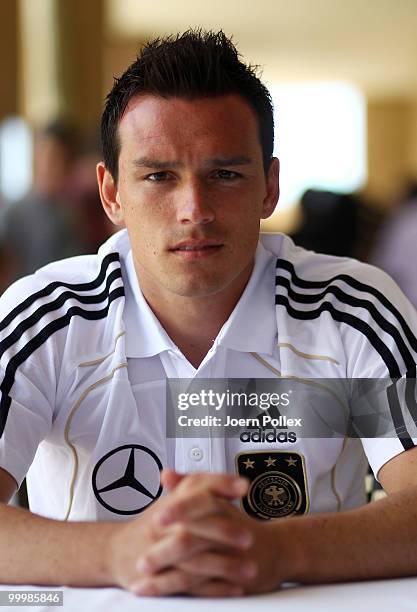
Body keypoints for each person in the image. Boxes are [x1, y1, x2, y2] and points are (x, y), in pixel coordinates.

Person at [0, 29, 416, 598]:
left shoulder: (352, 309)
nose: (194, 210)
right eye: (158, 176)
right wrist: (121, 553)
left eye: (225, 174)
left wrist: (280, 549)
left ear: (269, 186)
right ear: (111, 193)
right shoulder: (46, 316)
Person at [2, 120, 83, 279]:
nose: (51, 167)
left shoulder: (70, 215)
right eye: (47, 158)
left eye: (59, 161)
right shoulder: (13, 214)